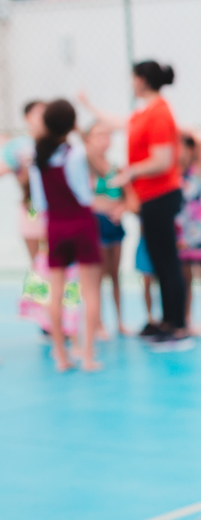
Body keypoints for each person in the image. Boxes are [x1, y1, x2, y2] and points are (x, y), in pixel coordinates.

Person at [79, 61, 190, 349]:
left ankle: (177, 324)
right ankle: (166, 320)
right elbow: (120, 122)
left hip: (160, 195)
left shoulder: (160, 114)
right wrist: (90, 106)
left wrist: (131, 171)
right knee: (159, 260)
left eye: (132, 78)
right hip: (149, 197)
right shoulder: (146, 113)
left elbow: (163, 160)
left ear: (141, 80)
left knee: (166, 261)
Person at [29, 100, 117, 372]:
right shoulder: (76, 154)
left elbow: (40, 202)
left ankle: (61, 356)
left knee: (56, 293)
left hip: (55, 225)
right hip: (80, 223)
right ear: (71, 124)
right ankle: (88, 356)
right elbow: (83, 195)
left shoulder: (38, 159)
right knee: (90, 291)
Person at [83, 122, 130, 338]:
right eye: (99, 135)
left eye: (107, 135)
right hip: (96, 225)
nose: (104, 139)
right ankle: (98, 323)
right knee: (97, 277)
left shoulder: (115, 167)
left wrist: (121, 208)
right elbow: (84, 198)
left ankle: (119, 321)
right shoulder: (85, 165)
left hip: (114, 225)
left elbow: (127, 198)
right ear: (88, 139)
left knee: (115, 275)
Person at [176, 131, 201, 333]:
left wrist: (183, 132)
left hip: (200, 230)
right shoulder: (174, 174)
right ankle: (187, 317)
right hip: (182, 232)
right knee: (186, 277)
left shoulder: (197, 171)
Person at [3, 101, 46, 262]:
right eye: (38, 112)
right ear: (27, 117)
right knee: (37, 261)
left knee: (56, 258)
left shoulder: (55, 143)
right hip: (31, 206)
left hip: (54, 207)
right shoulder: (18, 145)